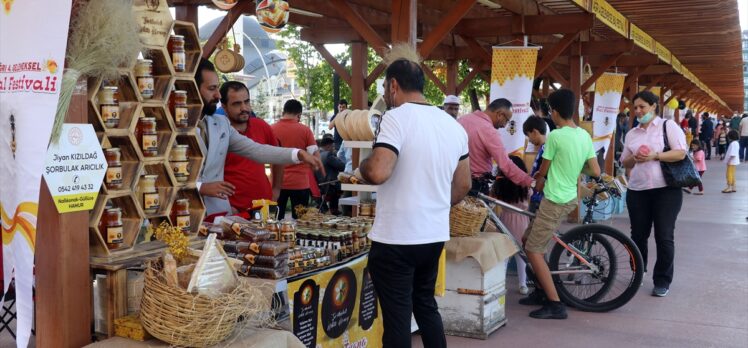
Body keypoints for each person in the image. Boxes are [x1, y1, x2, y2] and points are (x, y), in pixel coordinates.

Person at [360, 45, 471, 348]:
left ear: (393, 86)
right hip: (432, 235)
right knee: (425, 305)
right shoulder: (453, 125)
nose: (385, 95)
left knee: (397, 318)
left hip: (396, 239)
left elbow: (379, 172)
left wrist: (362, 167)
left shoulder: (395, 118)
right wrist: (433, 203)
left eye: (385, 88)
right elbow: (463, 185)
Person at [194, 59, 322, 217]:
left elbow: (256, 150)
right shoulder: (170, 128)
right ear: (191, 88)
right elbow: (162, 180)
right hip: (182, 216)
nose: (217, 95)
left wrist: (299, 154)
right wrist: (200, 187)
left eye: (218, 88)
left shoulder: (220, 124)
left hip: (219, 214)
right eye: (212, 88)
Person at [519, 89, 600, 320]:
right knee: (528, 240)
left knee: (534, 250)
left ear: (554, 112)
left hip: (554, 199)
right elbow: (595, 170)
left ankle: (555, 304)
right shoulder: (583, 135)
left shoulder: (555, 136)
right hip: (569, 199)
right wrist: (575, 168)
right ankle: (541, 290)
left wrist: (536, 183)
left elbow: (542, 172)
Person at [621, 90, 687, 297]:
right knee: (638, 235)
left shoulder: (668, 126)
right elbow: (625, 162)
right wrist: (636, 159)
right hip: (638, 190)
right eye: (636, 107)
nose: (638, 111)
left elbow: (680, 152)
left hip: (666, 190)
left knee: (664, 236)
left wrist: (654, 155)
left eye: (642, 107)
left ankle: (662, 280)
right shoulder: (632, 133)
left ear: (653, 106)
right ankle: (638, 273)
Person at [219, 81, 285, 214]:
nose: (244, 108)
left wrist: (276, 189)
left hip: (264, 207)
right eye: (237, 104)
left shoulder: (261, 126)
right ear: (224, 106)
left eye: (246, 102)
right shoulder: (218, 132)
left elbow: (278, 157)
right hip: (233, 210)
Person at [458, 98, 534, 194]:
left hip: (456, 181)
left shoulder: (461, 120)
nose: (504, 126)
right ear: (499, 114)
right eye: (507, 120)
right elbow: (505, 165)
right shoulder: (489, 131)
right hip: (476, 186)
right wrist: (530, 181)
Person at [272, 99, 319, 220]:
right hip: (300, 183)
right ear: (299, 115)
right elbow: (315, 158)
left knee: (275, 220)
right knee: (300, 221)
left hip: (277, 183)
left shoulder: (271, 129)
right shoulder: (305, 130)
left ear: (284, 112)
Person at [491, 156, 531, 296]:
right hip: (522, 222)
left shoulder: (499, 186)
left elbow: (493, 200)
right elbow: (531, 195)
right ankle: (522, 284)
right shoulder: (525, 186)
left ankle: (501, 284)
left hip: (504, 220)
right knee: (521, 255)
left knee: (504, 255)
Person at [522, 115, 548, 213]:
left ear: (535, 132)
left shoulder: (546, 149)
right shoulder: (543, 148)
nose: (529, 140)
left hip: (539, 197)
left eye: (528, 135)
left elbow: (542, 174)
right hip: (537, 196)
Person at [317, 137, 345, 214]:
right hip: (329, 185)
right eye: (332, 146)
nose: (333, 148)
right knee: (345, 183)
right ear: (328, 146)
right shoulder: (328, 155)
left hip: (320, 184)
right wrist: (338, 158)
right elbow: (341, 166)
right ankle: (334, 209)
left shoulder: (318, 154)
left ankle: (332, 209)